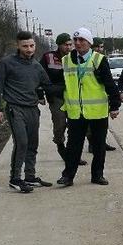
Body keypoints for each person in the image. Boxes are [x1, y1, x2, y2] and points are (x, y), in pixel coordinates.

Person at [0, 31, 54, 192]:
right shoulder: (7, 63)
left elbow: (46, 84)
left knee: (32, 144)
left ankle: (30, 177)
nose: (29, 49)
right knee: (22, 142)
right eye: (25, 46)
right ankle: (15, 178)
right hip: (15, 109)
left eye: (32, 46)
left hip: (33, 109)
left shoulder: (36, 66)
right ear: (17, 45)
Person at [56, 28, 121, 187]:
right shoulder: (66, 60)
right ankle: (68, 176)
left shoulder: (98, 60)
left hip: (97, 112)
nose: (78, 43)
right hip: (75, 112)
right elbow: (59, 84)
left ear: (89, 43)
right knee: (73, 146)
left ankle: (97, 175)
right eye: (75, 40)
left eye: (82, 40)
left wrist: (114, 105)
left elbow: (109, 84)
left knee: (99, 146)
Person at [38, 33, 84, 165]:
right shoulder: (48, 57)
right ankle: (60, 144)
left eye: (70, 44)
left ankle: (72, 155)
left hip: (73, 96)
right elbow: (40, 76)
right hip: (56, 96)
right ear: (59, 45)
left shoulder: (76, 57)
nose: (69, 47)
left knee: (75, 126)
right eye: (66, 44)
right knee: (60, 124)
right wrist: (41, 94)